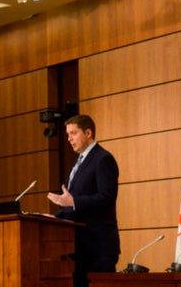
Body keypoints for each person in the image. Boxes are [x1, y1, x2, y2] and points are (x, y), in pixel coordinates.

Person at [47, 114, 120, 287]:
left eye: (73, 133)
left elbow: (106, 198)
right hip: (79, 247)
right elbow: (73, 203)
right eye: (67, 135)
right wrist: (53, 218)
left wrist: (73, 202)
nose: (69, 139)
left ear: (88, 133)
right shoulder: (79, 162)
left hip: (98, 247)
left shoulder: (103, 159)